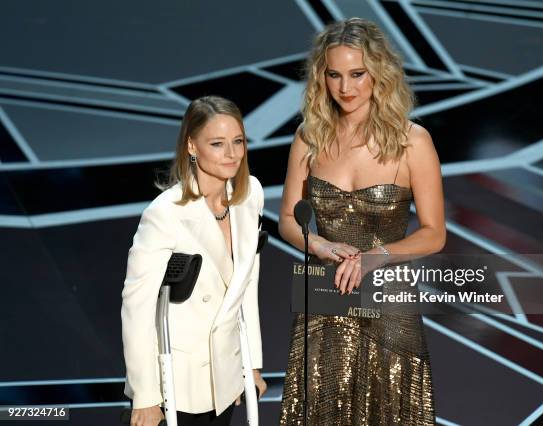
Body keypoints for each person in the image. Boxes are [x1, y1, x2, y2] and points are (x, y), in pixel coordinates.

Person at [278, 18, 445, 425]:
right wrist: (318, 244)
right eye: (334, 75)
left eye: (357, 74)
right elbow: (287, 219)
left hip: (388, 307)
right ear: (322, 77)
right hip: (324, 304)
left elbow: (434, 233)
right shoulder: (309, 137)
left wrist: (374, 257)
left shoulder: (412, 141)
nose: (345, 87)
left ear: (379, 74)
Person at [121, 96, 267, 426]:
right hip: (178, 382)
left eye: (238, 141)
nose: (232, 154)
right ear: (191, 146)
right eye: (217, 144)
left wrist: (251, 363)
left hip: (226, 377)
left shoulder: (249, 196)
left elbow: (247, 285)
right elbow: (137, 309)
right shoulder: (165, 213)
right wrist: (145, 397)